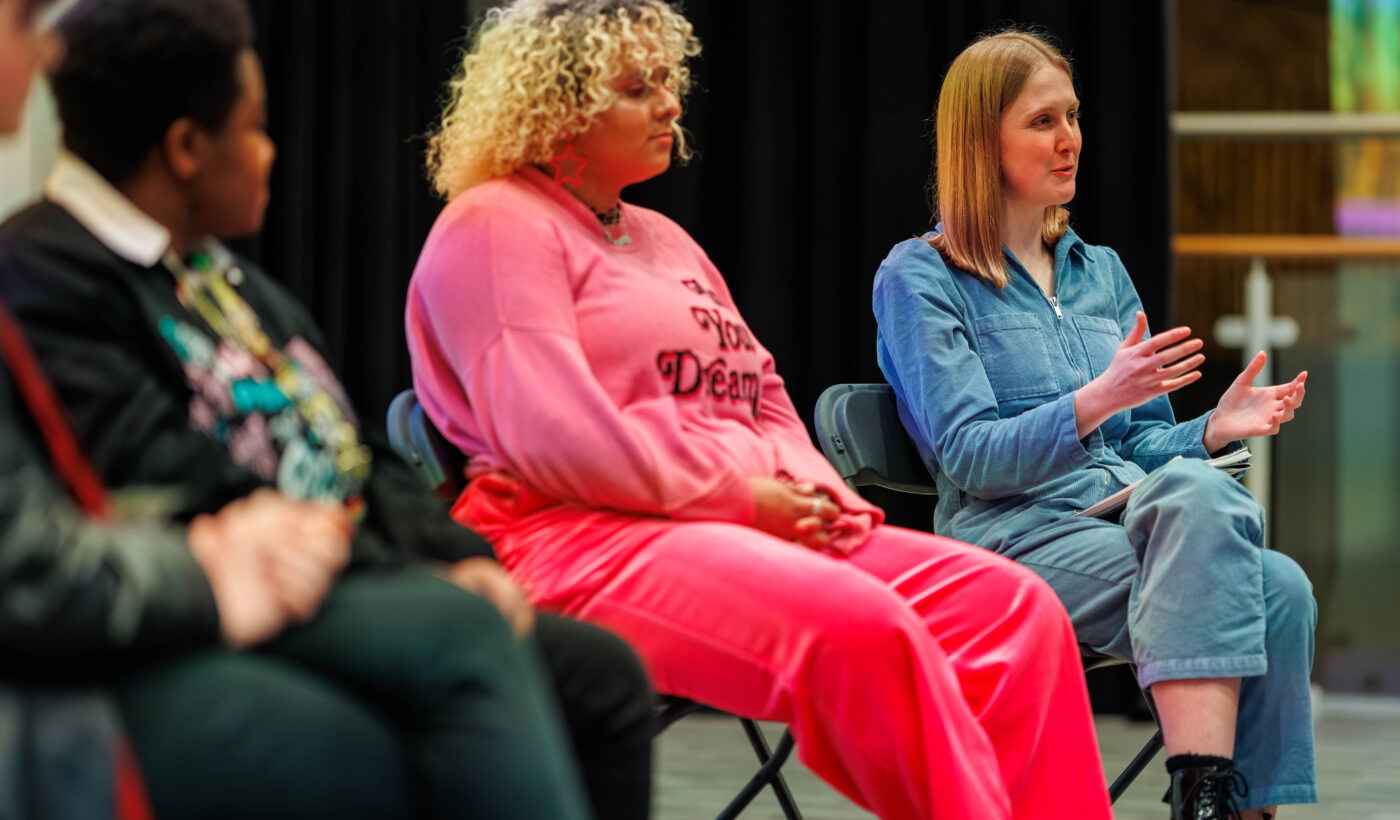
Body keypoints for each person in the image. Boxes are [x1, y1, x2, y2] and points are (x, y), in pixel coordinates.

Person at [406, 2, 1115, 818]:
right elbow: (553, 437)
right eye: (639, 87)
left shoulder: (665, 239)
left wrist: (822, 499)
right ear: (554, 105)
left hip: (745, 522)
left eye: (668, 80)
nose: (671, 103)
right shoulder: (493, 226)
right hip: (579, 541)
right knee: (866, 629)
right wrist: (742, 500)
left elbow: (763, 396)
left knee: (1014, 608)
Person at [0, 0, 654, 818]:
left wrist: (457, 553)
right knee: (458, 642)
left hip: (345, 572)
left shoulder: (228, 279)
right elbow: (164, 477)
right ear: (185, 148)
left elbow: (350, 447)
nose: (270, 153)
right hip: (238, 590)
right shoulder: (48, 275)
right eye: (254, 128)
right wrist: (404, 574)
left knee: (600, 677)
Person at [871, 29, 1318, 820]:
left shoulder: (1098, 270)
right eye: (1043, 121)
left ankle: (1223, 802)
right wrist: (1092, 402)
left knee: (1274, 575)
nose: (1070, 138)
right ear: (982, 139)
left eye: (1073, 116)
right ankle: (1205, 796)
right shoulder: (921, 276)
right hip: (1013, 535)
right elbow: (969, 456)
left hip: (1133, 518)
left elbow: (1142, 443)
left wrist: (1213, 427)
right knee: (1257, 574)